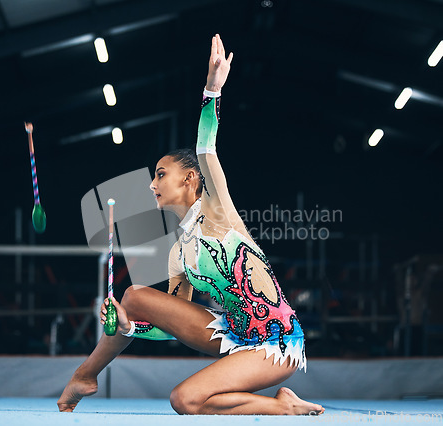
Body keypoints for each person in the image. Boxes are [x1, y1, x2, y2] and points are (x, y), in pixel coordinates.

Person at [58, 34, 324, 416]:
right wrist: (129, 327)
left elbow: (206, 148)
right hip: (231, 335)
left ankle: (283, 405)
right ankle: (85, 374)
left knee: (185, 400)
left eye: (161, 174)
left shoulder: (219, 212)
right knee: (133, 298)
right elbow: (172, 325)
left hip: (275, 342)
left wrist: (211, 90)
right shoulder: (178, 252)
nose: (152, 184)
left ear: (190, 180)